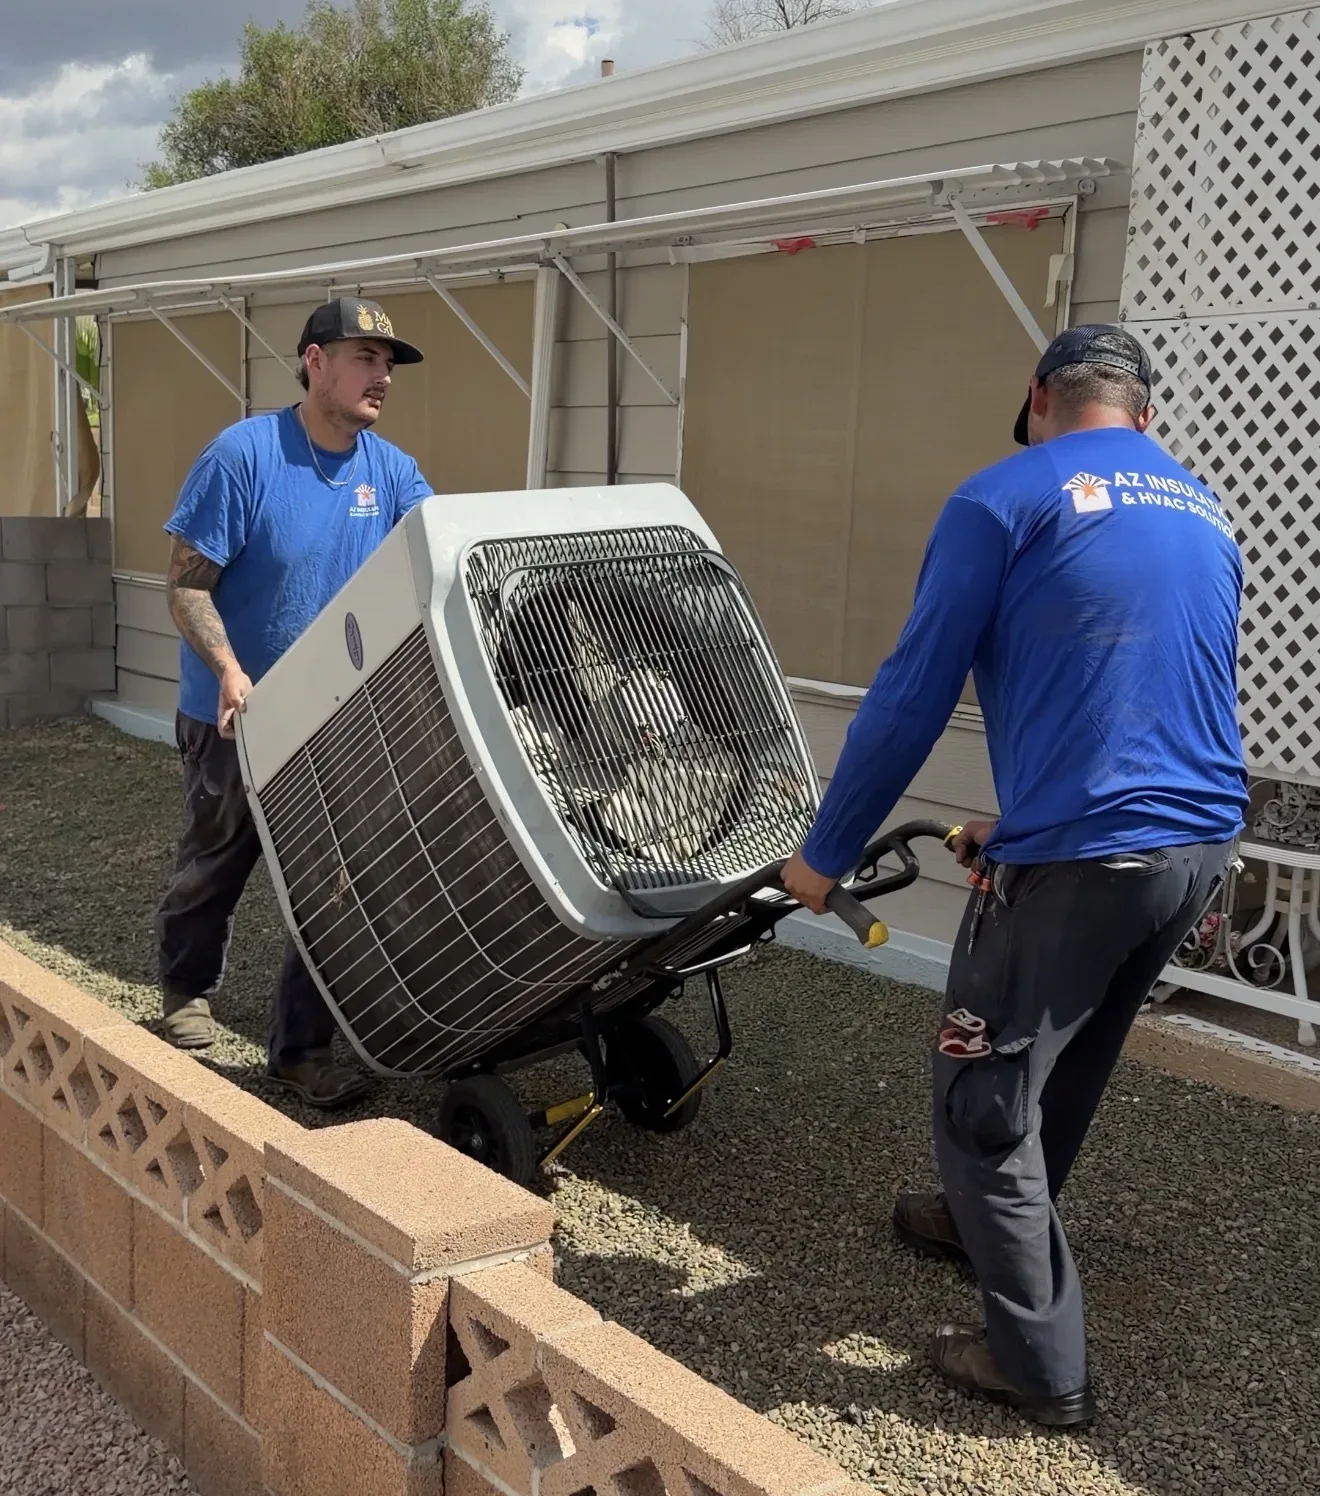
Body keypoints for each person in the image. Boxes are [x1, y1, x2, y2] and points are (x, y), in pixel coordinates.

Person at [781, 325, 1247, 1427]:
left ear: (1039, 396)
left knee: (984, 1094)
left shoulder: (1003, 497)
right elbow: (1164, 692)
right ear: (1144, 413)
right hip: (1196, 844)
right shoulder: (1207, 510)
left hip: (1097, 848)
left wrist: (826, 849)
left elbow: (911, 691)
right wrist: (1032, 822)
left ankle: (1039, 1365)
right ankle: (975, 1222)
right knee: (1068, 1048)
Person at [153, 297, 435, 1109]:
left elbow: (430, 555)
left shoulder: (392, 472)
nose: (382, 376)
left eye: (388, 363)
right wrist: (231, 670)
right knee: (217, 862)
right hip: (233, 711)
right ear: (314, 361)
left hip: (337, 717)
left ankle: (301, 1048)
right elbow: (186, 585)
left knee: (336, 884)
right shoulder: (243, 456)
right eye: (364, 357)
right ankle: (184, 988)